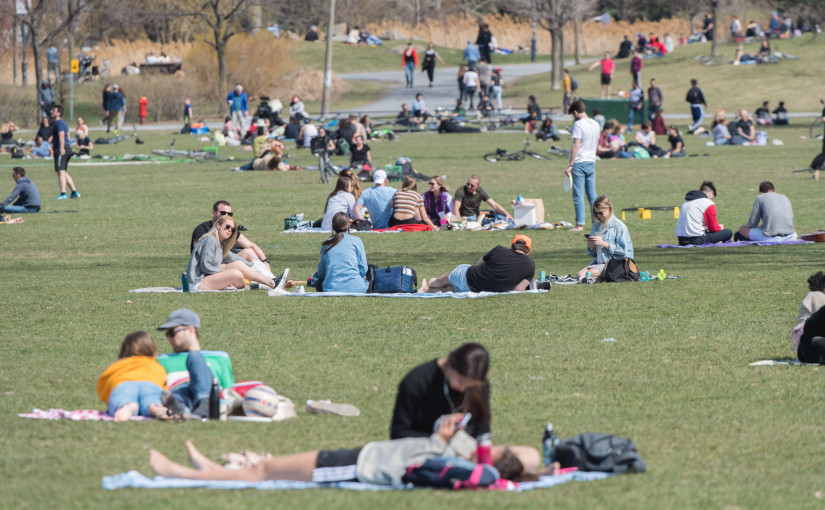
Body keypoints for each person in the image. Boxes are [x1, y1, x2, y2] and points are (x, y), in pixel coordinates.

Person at [147, 416, 553, 485]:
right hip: (361, 455)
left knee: (263, 474)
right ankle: (205, 466)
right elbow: (529, 459)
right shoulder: (464, 453)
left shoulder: (458, 466)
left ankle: (183, 474)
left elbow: (419, 462)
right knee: (270, 466)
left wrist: (442, 440)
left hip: (358, 468)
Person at [391, 343, 490, 439]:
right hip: (421, 450)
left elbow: (482, 431)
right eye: (461, 381)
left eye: (470, 385)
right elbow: (398, 433)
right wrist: (437, 438)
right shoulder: (416, 381)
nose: (463, 389)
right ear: (451, 364)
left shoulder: (478, 386)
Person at [188, 214, 282, 291]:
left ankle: (271, 281)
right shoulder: (210, 240)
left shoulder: (221, 244)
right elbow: (205, 266)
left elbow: (235, 259)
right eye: (227, 227)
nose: (230, 230)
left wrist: (255, 266)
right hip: (197, 282)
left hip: (208, 277)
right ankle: (269, 283)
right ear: (218, 226)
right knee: (236, 274)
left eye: (232, 229)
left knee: (239, 264)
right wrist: (223, 273)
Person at [155, 309, 220, 420]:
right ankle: (183, 411)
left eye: (172, 332)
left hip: (207, 390)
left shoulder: (218, 357)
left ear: (190, 330)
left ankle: (203, 404)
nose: (169, 338)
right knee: (178, 392)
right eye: (167, 334)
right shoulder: (160, 360)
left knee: (194, 357)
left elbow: (228, 388)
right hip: (177, 393)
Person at [420, 234, 535, 293]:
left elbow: (479, 263)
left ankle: (428, 285)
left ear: (512, 246)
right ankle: (426, 291)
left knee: (440, 281)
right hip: (476, 290)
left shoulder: (499, 250)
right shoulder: (530, 265)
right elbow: (518, 290)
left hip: (468, 277)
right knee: (448, 290)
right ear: (528, 251)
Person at [97, 331, 169, 421]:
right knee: (152, 397)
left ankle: (126, 406)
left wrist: (106, 396)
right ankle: (155, 407)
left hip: (123, 383)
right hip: (150, 384)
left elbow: (104, 380)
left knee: (123, 397)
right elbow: (163, 384)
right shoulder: (155, 365)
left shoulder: (119, 364)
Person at [190, 200, 272, 272]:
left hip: (228, 259)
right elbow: (198, 254)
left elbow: (250, 245)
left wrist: (265, 261)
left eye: (229, 214)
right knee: (239, 266)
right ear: (213, 213)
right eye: (223, 213)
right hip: (212, 265)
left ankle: (271, 279)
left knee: (249, 252)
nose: (226, 216)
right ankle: (270, 281)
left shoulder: (230, 229)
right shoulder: (202, 230)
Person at [306, 212, 368, 293]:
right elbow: (363, 268)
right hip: (356, 287)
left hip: (331, 287)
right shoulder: (357, 241)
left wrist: (316, 277)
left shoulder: (326, 244)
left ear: (333, 226)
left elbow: (322, 272)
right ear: (349, 224)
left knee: (319, 282)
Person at [577, 195, 633, 279]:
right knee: (580, 274)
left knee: (589, 273)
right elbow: (593, 254)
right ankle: (597, 278)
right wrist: (591, 246)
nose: (598, 215)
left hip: (616, 263)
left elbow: (623, 251)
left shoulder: (618, 226)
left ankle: (597, 278)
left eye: (601, 213)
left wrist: (604, 244)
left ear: (609, 209)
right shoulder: (596, 225)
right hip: (599, 262)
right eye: (596, 213)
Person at [565, 100, 600, 232]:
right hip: (591, 161)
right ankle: (596, 222)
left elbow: (576, 145)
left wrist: (570, 164)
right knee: (592, 194)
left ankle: (579, 224)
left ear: (575, 112)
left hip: (579, 162)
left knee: (578, 194)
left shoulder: (578, 124)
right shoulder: (595, 124)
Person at [674, 181, 732, 245]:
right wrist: (720, 227)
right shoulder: (708, 203)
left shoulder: (686, 202)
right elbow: (713, 229)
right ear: (710, 194)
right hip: (696, 240)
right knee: (728, 232)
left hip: (681, 241)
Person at [51, 105, 79, 200]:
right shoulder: (62, 123)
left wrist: (61, 148)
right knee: (64, 172)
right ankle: (74, 192)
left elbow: (62, 135)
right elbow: (68, 136)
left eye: (54, 110)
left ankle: (63, 193)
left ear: (59, 113)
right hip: (66, 149)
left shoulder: (59, 123)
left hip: (61, 150)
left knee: (60, 171)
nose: (52, 112)